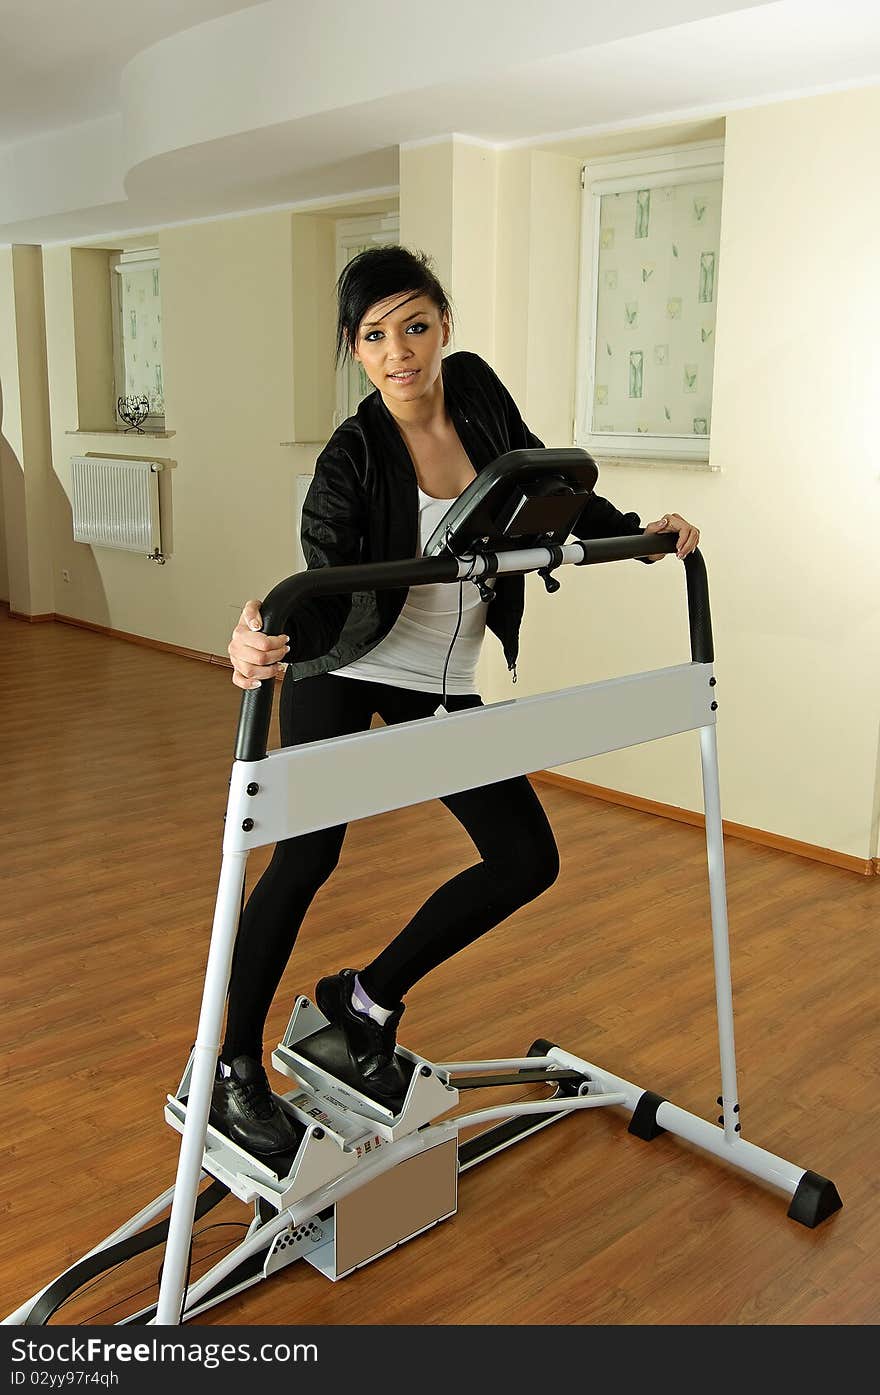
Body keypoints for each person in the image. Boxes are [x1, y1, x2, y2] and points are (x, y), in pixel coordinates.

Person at [212, 245, 700, 1154]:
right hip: (350, 666)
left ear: (444, 325)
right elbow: (325, 591)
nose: (401, 351)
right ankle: (232, 1064)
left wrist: (638, 533)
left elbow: (546, 488)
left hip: (441, 684)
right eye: (375, 335)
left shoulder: (474, 392)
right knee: (307, 857)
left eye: (416, 325)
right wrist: (263, 641)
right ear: (355, 350)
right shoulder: (351, 455)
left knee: (523, 857)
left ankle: (363, 1000)